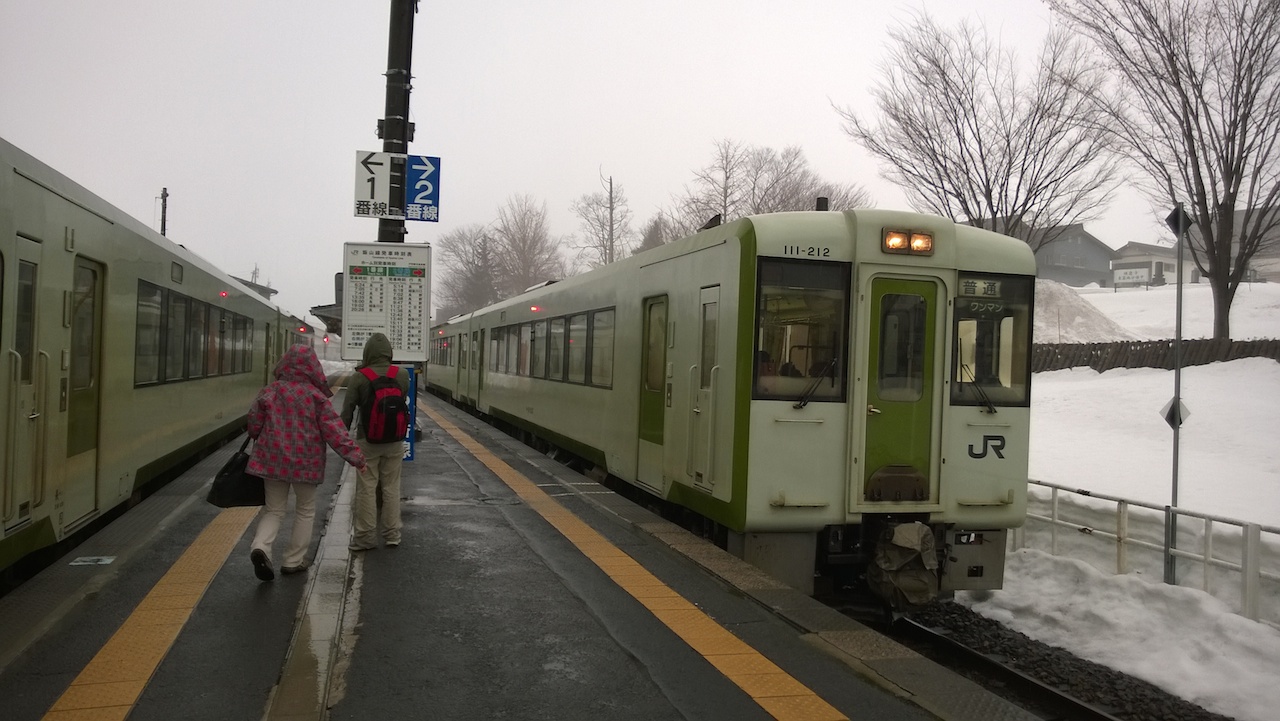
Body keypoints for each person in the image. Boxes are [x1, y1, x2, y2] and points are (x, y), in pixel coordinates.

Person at [247, 344, 366, 582]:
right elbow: (336, 433)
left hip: (272, 461)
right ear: (313, 368)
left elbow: (253, 427)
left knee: (274, 510)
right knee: (305, 510)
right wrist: (356, 458)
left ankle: (260, 546)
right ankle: (293, 560)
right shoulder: (316, 398)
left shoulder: (270, 392)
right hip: (306, 463)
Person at [341, 332, 410, 551]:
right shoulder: (401, 374)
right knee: (391, 487)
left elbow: (347, 411)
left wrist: (342, 441)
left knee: (367, 488)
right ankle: (392, 535)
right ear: (388, 352)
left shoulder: (360, 377)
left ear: (368, 353)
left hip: (367, 440)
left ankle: (365, 538)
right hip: (394, 440)